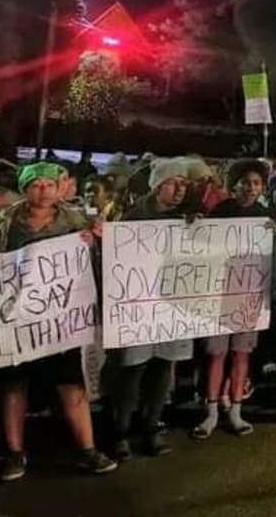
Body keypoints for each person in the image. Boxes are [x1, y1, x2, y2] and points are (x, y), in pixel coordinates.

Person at [0, 162, 117, 481]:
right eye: (35, 184)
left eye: (48, 184)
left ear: (59, 189)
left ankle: (87, 450)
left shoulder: (78, 221)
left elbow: (105, 259)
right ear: (24, 188)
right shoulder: (0, 222)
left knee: (71, 387)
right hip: (14, 324)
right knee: (14, 386)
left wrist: (99, 240)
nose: (42, 190)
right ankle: (15, 453)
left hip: (61, 323)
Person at [110, 159, 193, 460]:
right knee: (134, 368)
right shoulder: (132, 218)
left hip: (172, 306)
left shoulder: (189, 218)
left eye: (184, 183)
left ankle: (151, 426)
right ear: (158, 186)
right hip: (140, 305)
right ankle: (120, 430)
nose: (180, 189)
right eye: (174, 183)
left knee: (163, 366)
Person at [192, 159, 270, 439]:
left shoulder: (266, 216)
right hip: (219, 295)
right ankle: (211, 413)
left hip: (249, 297)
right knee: (216, 354)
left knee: (241, 354)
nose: (251, 188)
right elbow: (201, 247)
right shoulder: (220, 212)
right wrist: (199, 225)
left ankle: (236, 411)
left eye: (256, 183)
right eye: (246, 183)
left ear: (262, 187)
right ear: (234, 185)